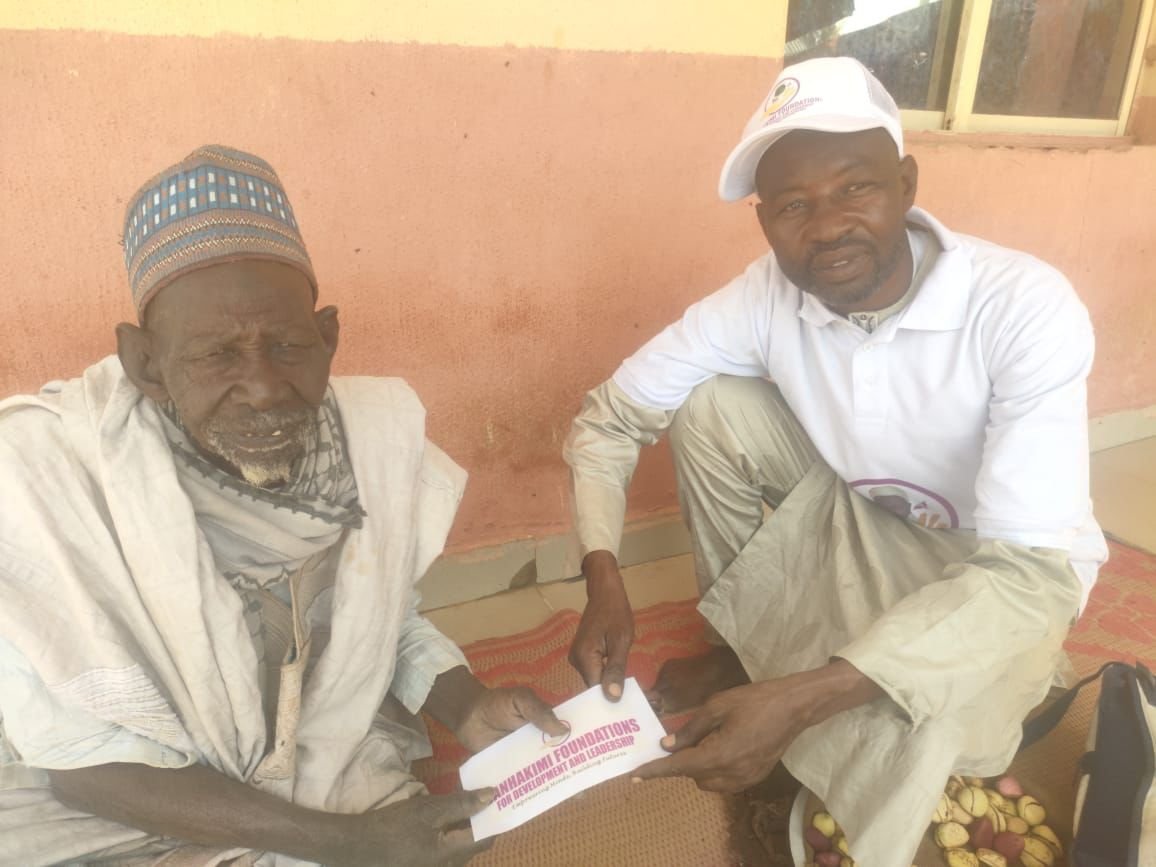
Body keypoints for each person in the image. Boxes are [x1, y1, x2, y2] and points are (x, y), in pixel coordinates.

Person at [564, 57, 1106, 865]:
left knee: (929, 738)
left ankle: (788, 695)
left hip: (1002, 573)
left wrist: (805, 697)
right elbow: (609, 418)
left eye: (855, 188)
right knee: (711, 406)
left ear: (906, 184)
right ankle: (743, 655)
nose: (825, 227)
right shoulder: (764, 296)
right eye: (793, 205)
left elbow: (1031, 574)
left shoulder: (1021, 306)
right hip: (869, 519)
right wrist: (602, 571)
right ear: (763, 222)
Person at [0, 145, 563, 866]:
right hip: (125, 792)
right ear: (146, 363)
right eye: (216, 355)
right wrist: (347, 844)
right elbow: (83, 762)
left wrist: (467, 703)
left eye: (289, 345)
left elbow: (376, 617)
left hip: (319, 752)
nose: (264, 388)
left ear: (327, 337)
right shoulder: (46, 478)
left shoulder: (370, 438)